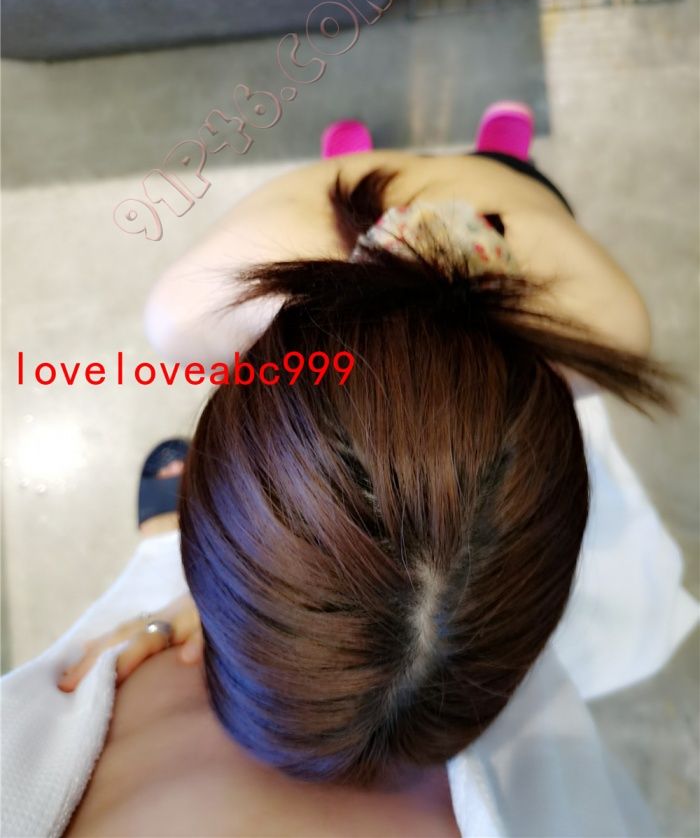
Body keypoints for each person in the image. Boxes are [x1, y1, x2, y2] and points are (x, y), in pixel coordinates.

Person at [4, 104, 696, 838]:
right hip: (476, 213)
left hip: (471, 225)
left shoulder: (196, 306)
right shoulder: (203, 310)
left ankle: (478, 157)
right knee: (466, 176)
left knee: (419, 175)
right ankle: (495, 160)